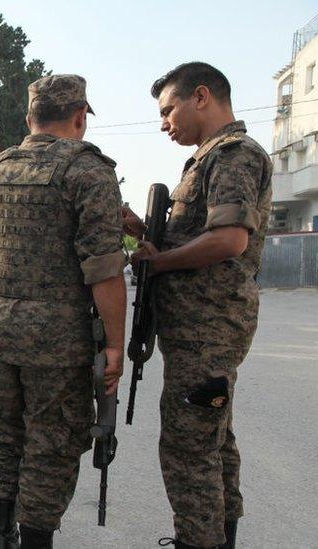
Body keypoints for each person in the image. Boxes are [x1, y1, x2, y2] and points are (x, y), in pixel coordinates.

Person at [0, 75, 126, 548]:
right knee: (51, 445)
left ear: (29, 119)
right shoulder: (88, 171)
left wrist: (1, 303)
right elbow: (105, 268)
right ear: (79, 117)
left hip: (0, 335)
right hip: (59, 341)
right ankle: (33, 542)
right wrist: (114, 345)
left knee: (7, 437)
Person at [133, 62, 272, 549]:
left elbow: (229, 240)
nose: (164, 122)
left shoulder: (233, 155)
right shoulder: (209, 158)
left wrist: (162, 262)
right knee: (214, 442)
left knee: (188, 450)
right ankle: (219, 537)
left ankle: (199, 540)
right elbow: (197, 232)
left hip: (208, 329)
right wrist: (142, 229)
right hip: (199, 328)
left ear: (201, 96)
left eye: (168, 110)